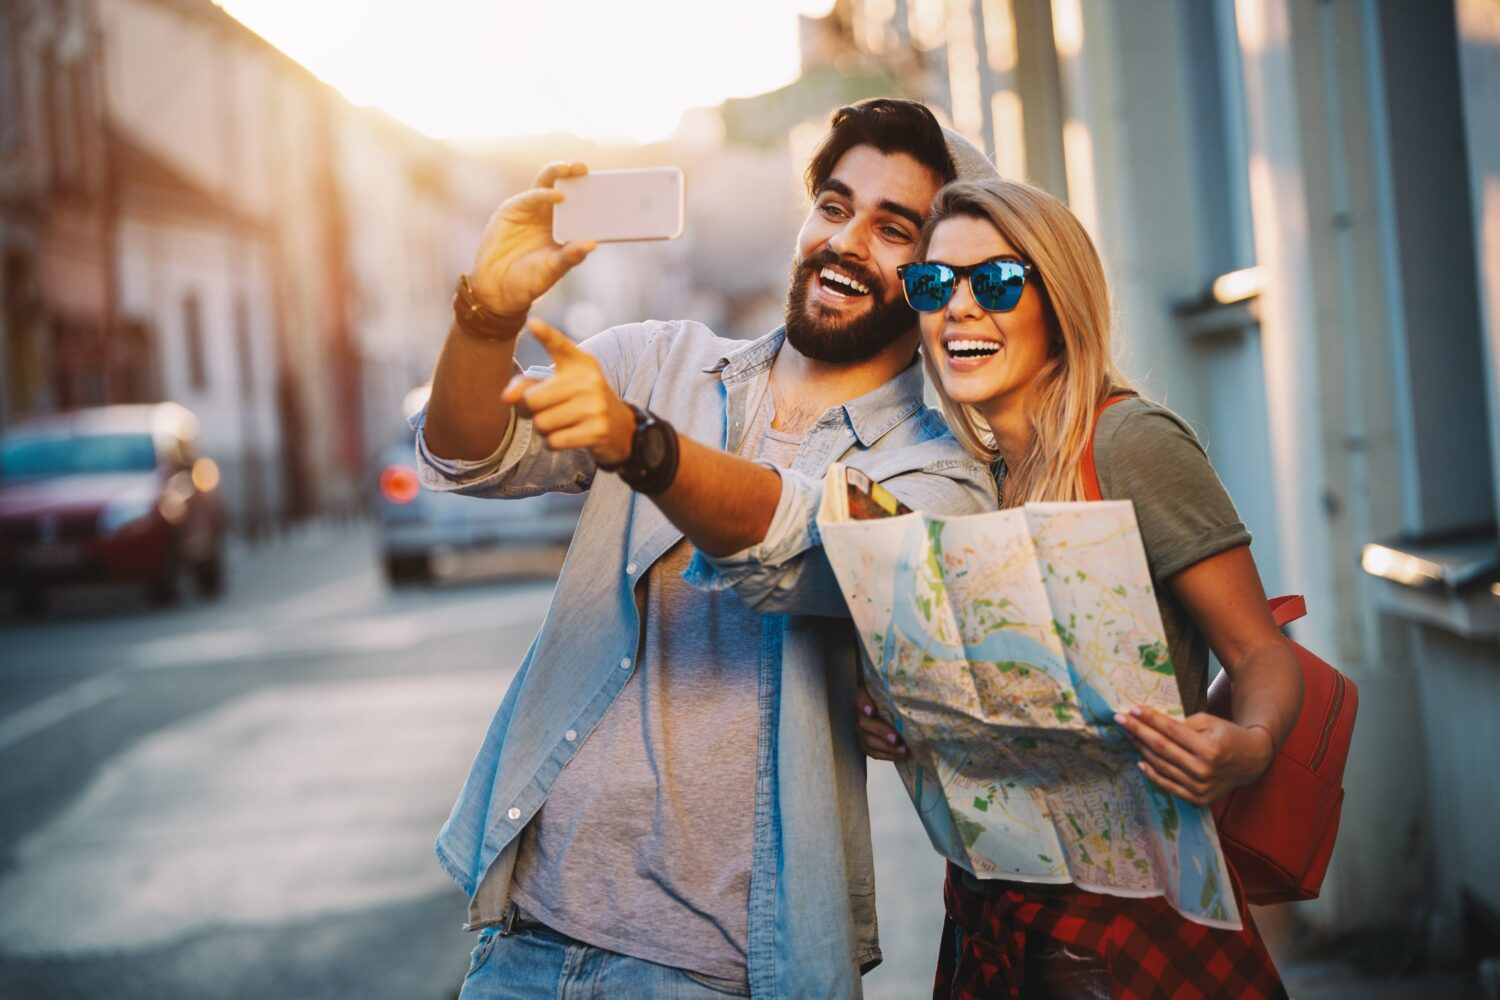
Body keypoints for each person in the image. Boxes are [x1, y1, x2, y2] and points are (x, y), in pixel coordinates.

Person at [416, 99, 1000, 999]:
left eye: (895, 229)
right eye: (835, 208)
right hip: (527, 945)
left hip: (724, 973)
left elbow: (809, 544)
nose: (845, 243)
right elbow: (469, 454)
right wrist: (486, 317)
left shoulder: (939, 473)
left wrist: (645, 448)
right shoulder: (660, 363)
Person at [854, 177, 1303, 999]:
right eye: (933, 284)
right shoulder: (967, 478)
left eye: (993, 281)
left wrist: (1249, 746)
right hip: (992, 909)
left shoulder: (1131, 441)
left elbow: (1260, 650)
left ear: (1056, 297)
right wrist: (897, 712)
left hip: (1132, 918)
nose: (957, 308)